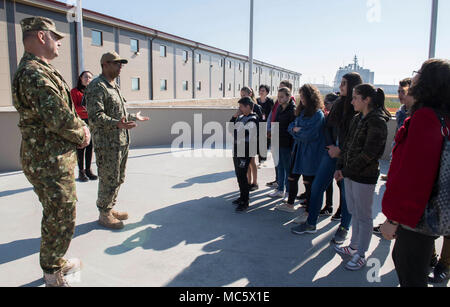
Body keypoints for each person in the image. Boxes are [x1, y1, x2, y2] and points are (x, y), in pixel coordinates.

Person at [12, 17, 91, 287]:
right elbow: (57, 116)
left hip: (53, 155)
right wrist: (82, 133)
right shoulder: (33, 73)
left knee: (60, 210)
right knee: (60, 212)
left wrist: (79, 127)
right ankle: (52, 272)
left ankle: (55, 260)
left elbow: (64, 109)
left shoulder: (43, 68)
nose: (59, 42)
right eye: (55, 37)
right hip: (48, 159)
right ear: (42, 37)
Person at [380, 59, 450, 287]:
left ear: (429, 81)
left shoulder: (425, 118)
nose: (415, 76)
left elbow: (414, 177)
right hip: (429, 213)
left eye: (419, 72)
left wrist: (394, 219)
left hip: (417, 218)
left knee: (409, 270)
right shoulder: (442, 116)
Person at [291, 73, 362, 239]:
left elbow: (358, 137)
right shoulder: (338, 104)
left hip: (347, 159)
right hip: (329, 153)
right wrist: (332, 147)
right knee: (316, 188)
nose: (340, 86)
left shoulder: (358, 109)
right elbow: (328, 128)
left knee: (346, 195)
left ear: (352, 86)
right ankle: (311, 223)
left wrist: (341, 150)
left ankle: (344, 229)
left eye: (344, 84)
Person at [85, 51, 149, 230]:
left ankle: (109, 208)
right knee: (108, 178)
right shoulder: (97, 86)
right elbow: (95, 117)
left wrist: (133, 117)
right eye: (116, 63)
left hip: (121, 141)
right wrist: (118, 124)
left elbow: (118, 115)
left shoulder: (113, 86)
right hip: (107, 144)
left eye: (121, 63)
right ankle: (103, 213)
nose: (120, 66)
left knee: (118, 178)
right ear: (105, 64)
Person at [333, 84, 390, 271]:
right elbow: (347, 145)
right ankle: (353, 246)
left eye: (356, 97)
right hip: (350, 174)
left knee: (364, 216)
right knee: (354, 211)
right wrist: (341, 167)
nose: (352, 101)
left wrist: (346, 171)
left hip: (364, 177)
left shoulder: (377, 122)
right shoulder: (358, 118)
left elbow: (369, 154)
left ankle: (361, 254)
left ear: (367, 100)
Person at [276, 85, 325, 214]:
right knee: (292, 178)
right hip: (297, 151)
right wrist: (296, 130)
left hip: (310, 153)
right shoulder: (301, 112)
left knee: (308, 182)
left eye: (304, 96)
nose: (301, 99)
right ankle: (290, 204)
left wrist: (297, 130)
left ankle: (309, 212)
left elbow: (309, 135)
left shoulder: (318, 114)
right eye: (301, 96)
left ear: (311, 97)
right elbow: (291, 126)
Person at [230, 97, 259, 212]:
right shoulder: (241, 117)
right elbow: (230, 128)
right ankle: (242, 196)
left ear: (248, 106)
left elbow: (239, 133)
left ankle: (245, 201)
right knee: (239, 175)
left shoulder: (253, 119)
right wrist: (234, 116)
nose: (239, 109)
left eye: (241, 106)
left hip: (245, 151)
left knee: (242, 176)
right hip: (237, 149)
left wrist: (235, 130)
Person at [380, 78, 412, 182]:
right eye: (399, 91)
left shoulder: (416, 113)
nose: (400, 95)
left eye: (403, 91)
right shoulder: (401, 110)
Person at [266, 80, 296, 188]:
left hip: (286, 143)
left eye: (282, 96)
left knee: (287, 168)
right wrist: (270, 131)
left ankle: (287, 191)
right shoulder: (279, 107)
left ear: (288, 96)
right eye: (278, 96)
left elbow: (291, 128)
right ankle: (280, 188)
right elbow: (273, 119)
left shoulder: (292, 109)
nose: (279, 99)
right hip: (277, 140)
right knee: (280, 166)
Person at [71, 71, 97, 182]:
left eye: (90, 77)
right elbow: (73, 107)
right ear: (81, 78)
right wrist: (86, 110)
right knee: (81, 146)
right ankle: (81, 172)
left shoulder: (92, 91)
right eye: (86, 76)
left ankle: (88, 170)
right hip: (80, 122)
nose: (88, 79)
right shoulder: (74, 91)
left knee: (90, 146)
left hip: (91, 121)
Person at [320, 93, 343, 217]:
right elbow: (326, 131)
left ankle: (341, 209)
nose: (325, 106)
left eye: (327, 103)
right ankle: (329, 205)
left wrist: (337, 149)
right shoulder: (328, 117)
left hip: (340, 154)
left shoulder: (342, 116)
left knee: (340, 184)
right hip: (329, 151)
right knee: (327, 182)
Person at [240, 87, 261, 191]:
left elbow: (259, 122)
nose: (243, 97)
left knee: (252, 161)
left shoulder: (256, 107)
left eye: (244, 95)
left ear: (250, 94)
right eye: (241, 95)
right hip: (244, 140)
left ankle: (255, 182)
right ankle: (248, 181)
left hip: (252, 139)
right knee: (246, 163)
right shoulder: (241, 106)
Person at [257, 85, 274, 167]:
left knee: (266, 143)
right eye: (260, 90)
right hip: (258, 124)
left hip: (267, 125)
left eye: (263, 90)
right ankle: (261, 160)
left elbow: (273, 113)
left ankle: (263, 160)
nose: (261, 92)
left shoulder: (270, 101)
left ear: (267, 92)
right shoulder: (256, 101)